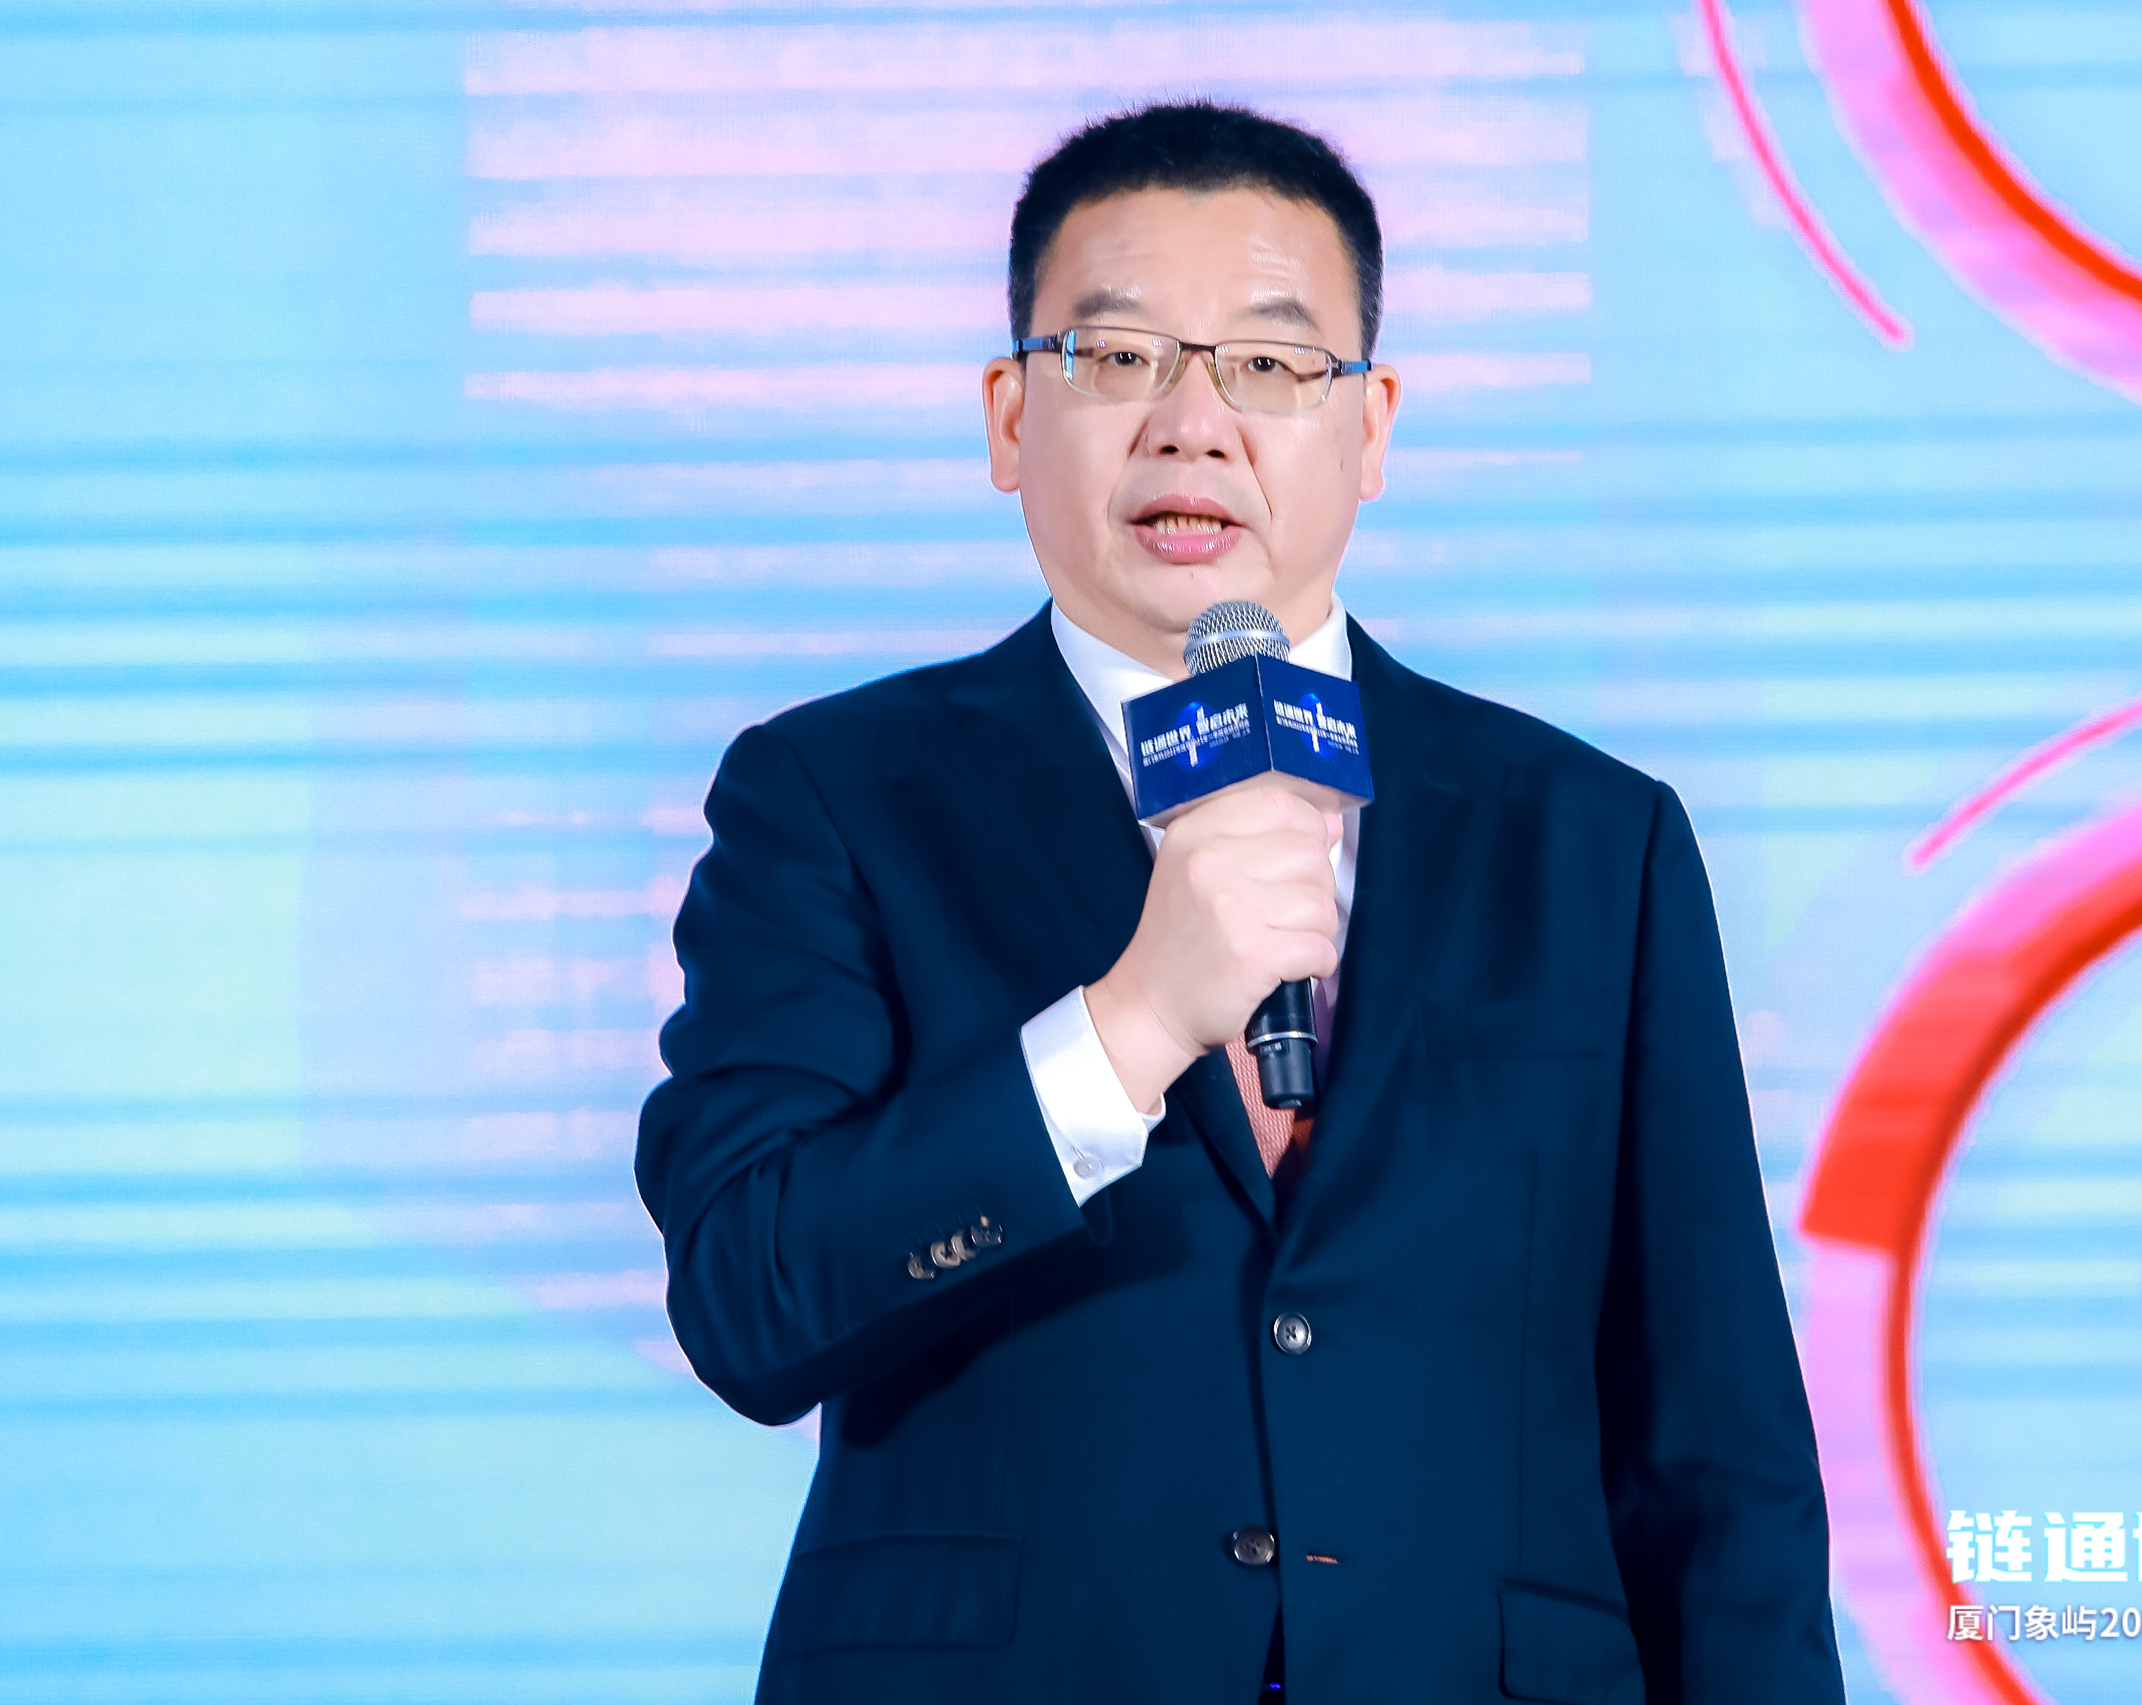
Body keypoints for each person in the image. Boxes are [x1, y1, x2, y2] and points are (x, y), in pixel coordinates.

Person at [636, 102, 1842, 1704]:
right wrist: (1127, 1027)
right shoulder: (835, 796)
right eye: (1117, 356)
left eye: (1270, 365)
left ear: (1371, 427)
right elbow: (748, 1299)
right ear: (1009, 417)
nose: (1192, 425)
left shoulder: (1586, 838)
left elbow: (1720, 1452)